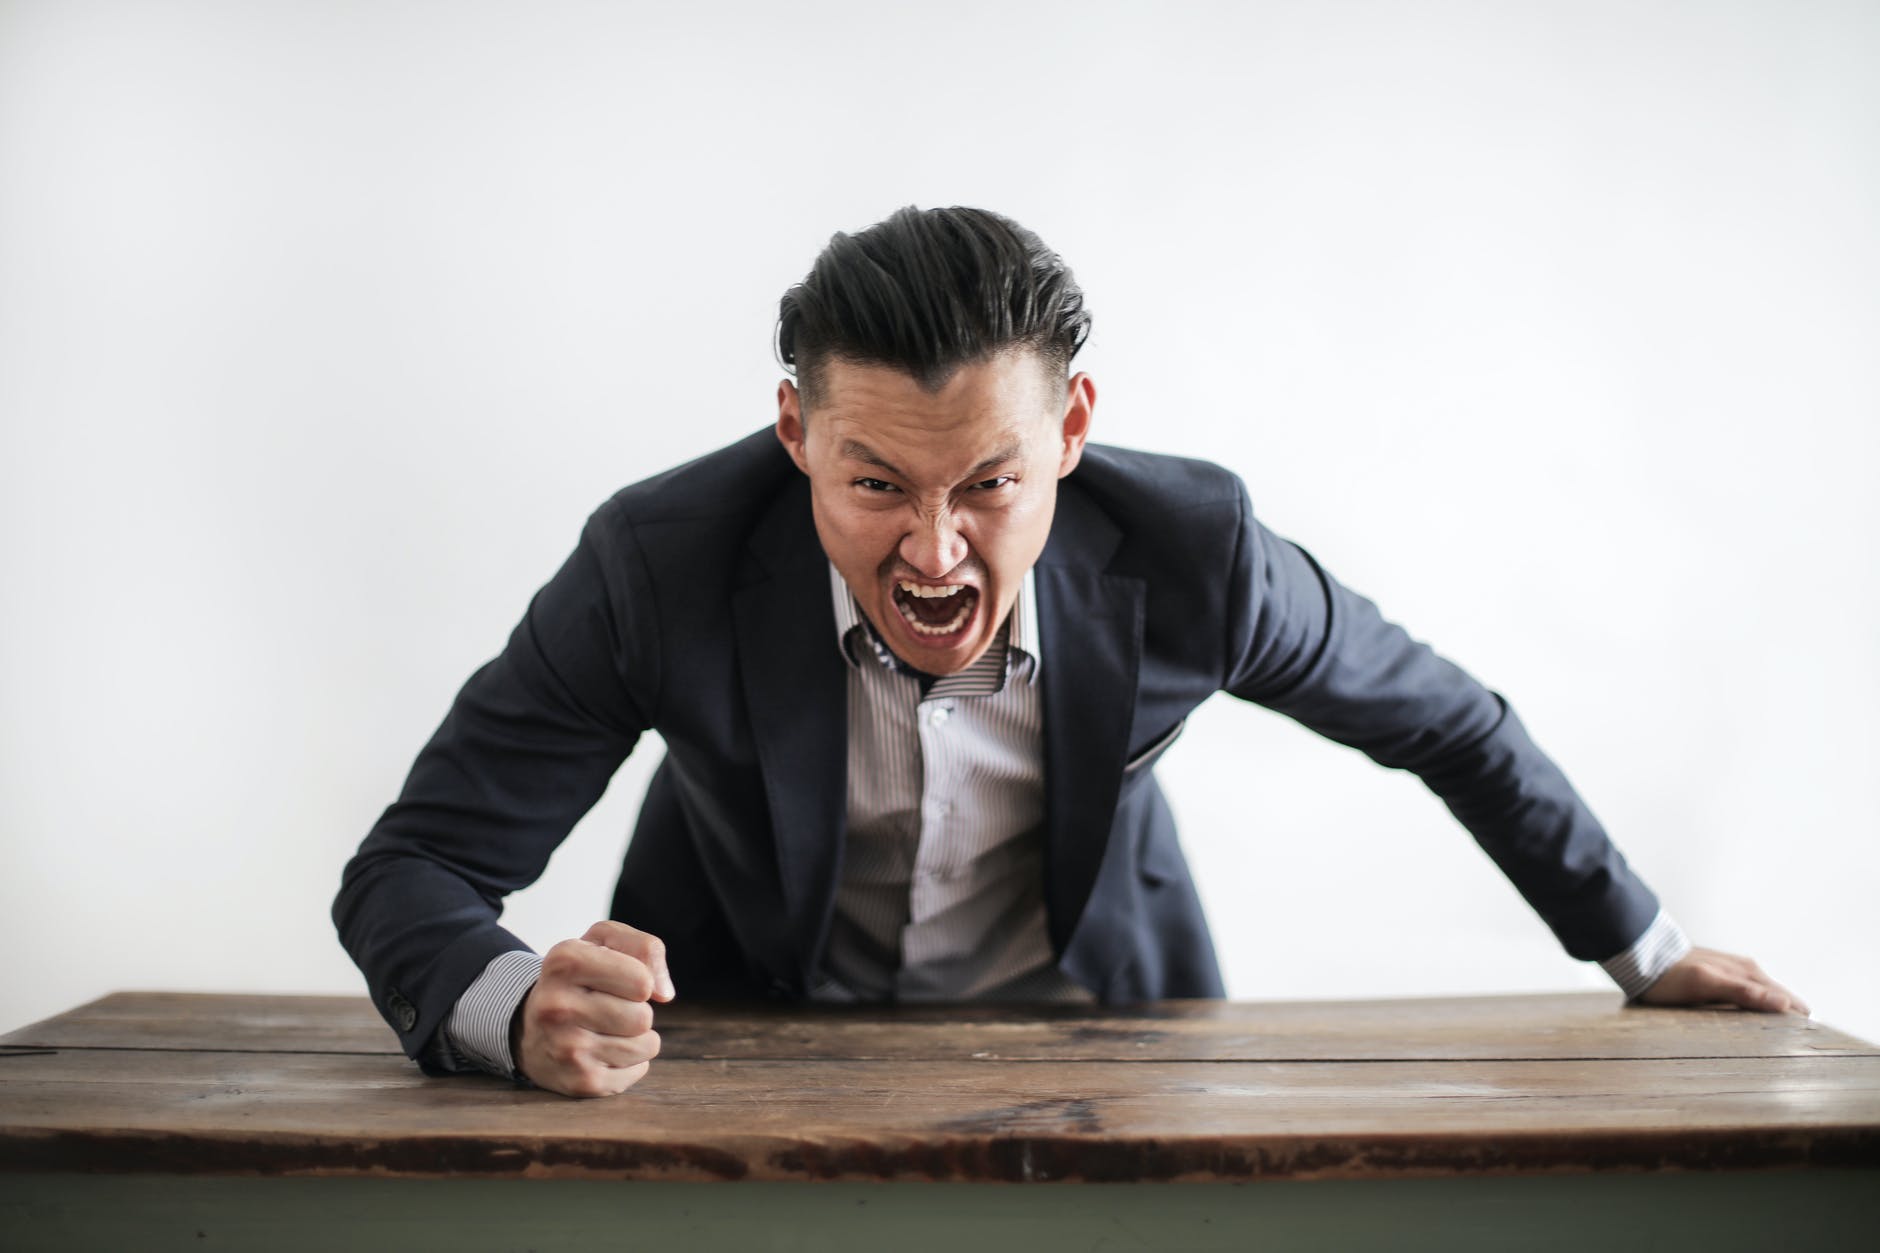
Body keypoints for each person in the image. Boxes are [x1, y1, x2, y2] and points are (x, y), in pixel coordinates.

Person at [333, 205, 1808, 1100]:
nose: (932, 552)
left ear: (1074, 434)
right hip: (739, 1042)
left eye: (988, 483)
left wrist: (1646, 947)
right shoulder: (657, 565)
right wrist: (514, 1006)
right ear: (795, 436)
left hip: (1107, 1037)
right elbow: (409, 870)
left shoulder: (1197, 556)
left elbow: (1450, 723)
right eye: (873, 485)